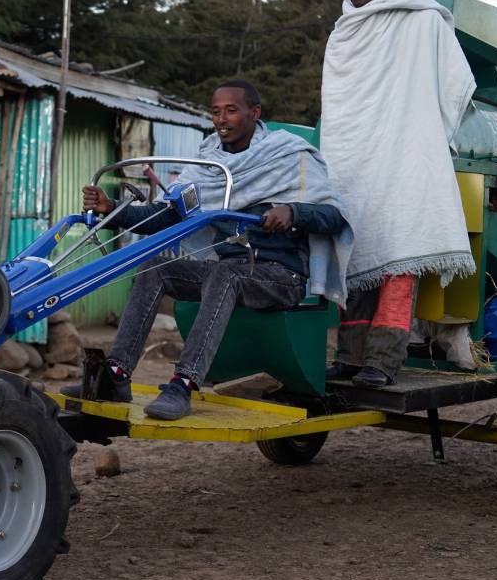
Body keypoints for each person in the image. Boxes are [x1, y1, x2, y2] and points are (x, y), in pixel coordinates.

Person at [62, 80, 350, 420]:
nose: (221, 119)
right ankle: (117, 374)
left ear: (254, 113)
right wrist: (113, 209)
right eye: (215, 111)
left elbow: (335, 215)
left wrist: (293, 212)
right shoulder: (206, 164)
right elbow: (169, 216)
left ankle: (183, 383)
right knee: (157, 268)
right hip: (229, 269)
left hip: (280, 275)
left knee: (224, 274)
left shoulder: (288, 155)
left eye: (231, 110)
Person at [322, 0, 476, 388]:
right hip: (354, 159)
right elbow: (339, 104)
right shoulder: (342, 32)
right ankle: (350, 358)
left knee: (397, 253)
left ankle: (384, 361)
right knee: (354, 257)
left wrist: (422, 132)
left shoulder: (421, 19)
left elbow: (453, 81)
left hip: (403, 155)